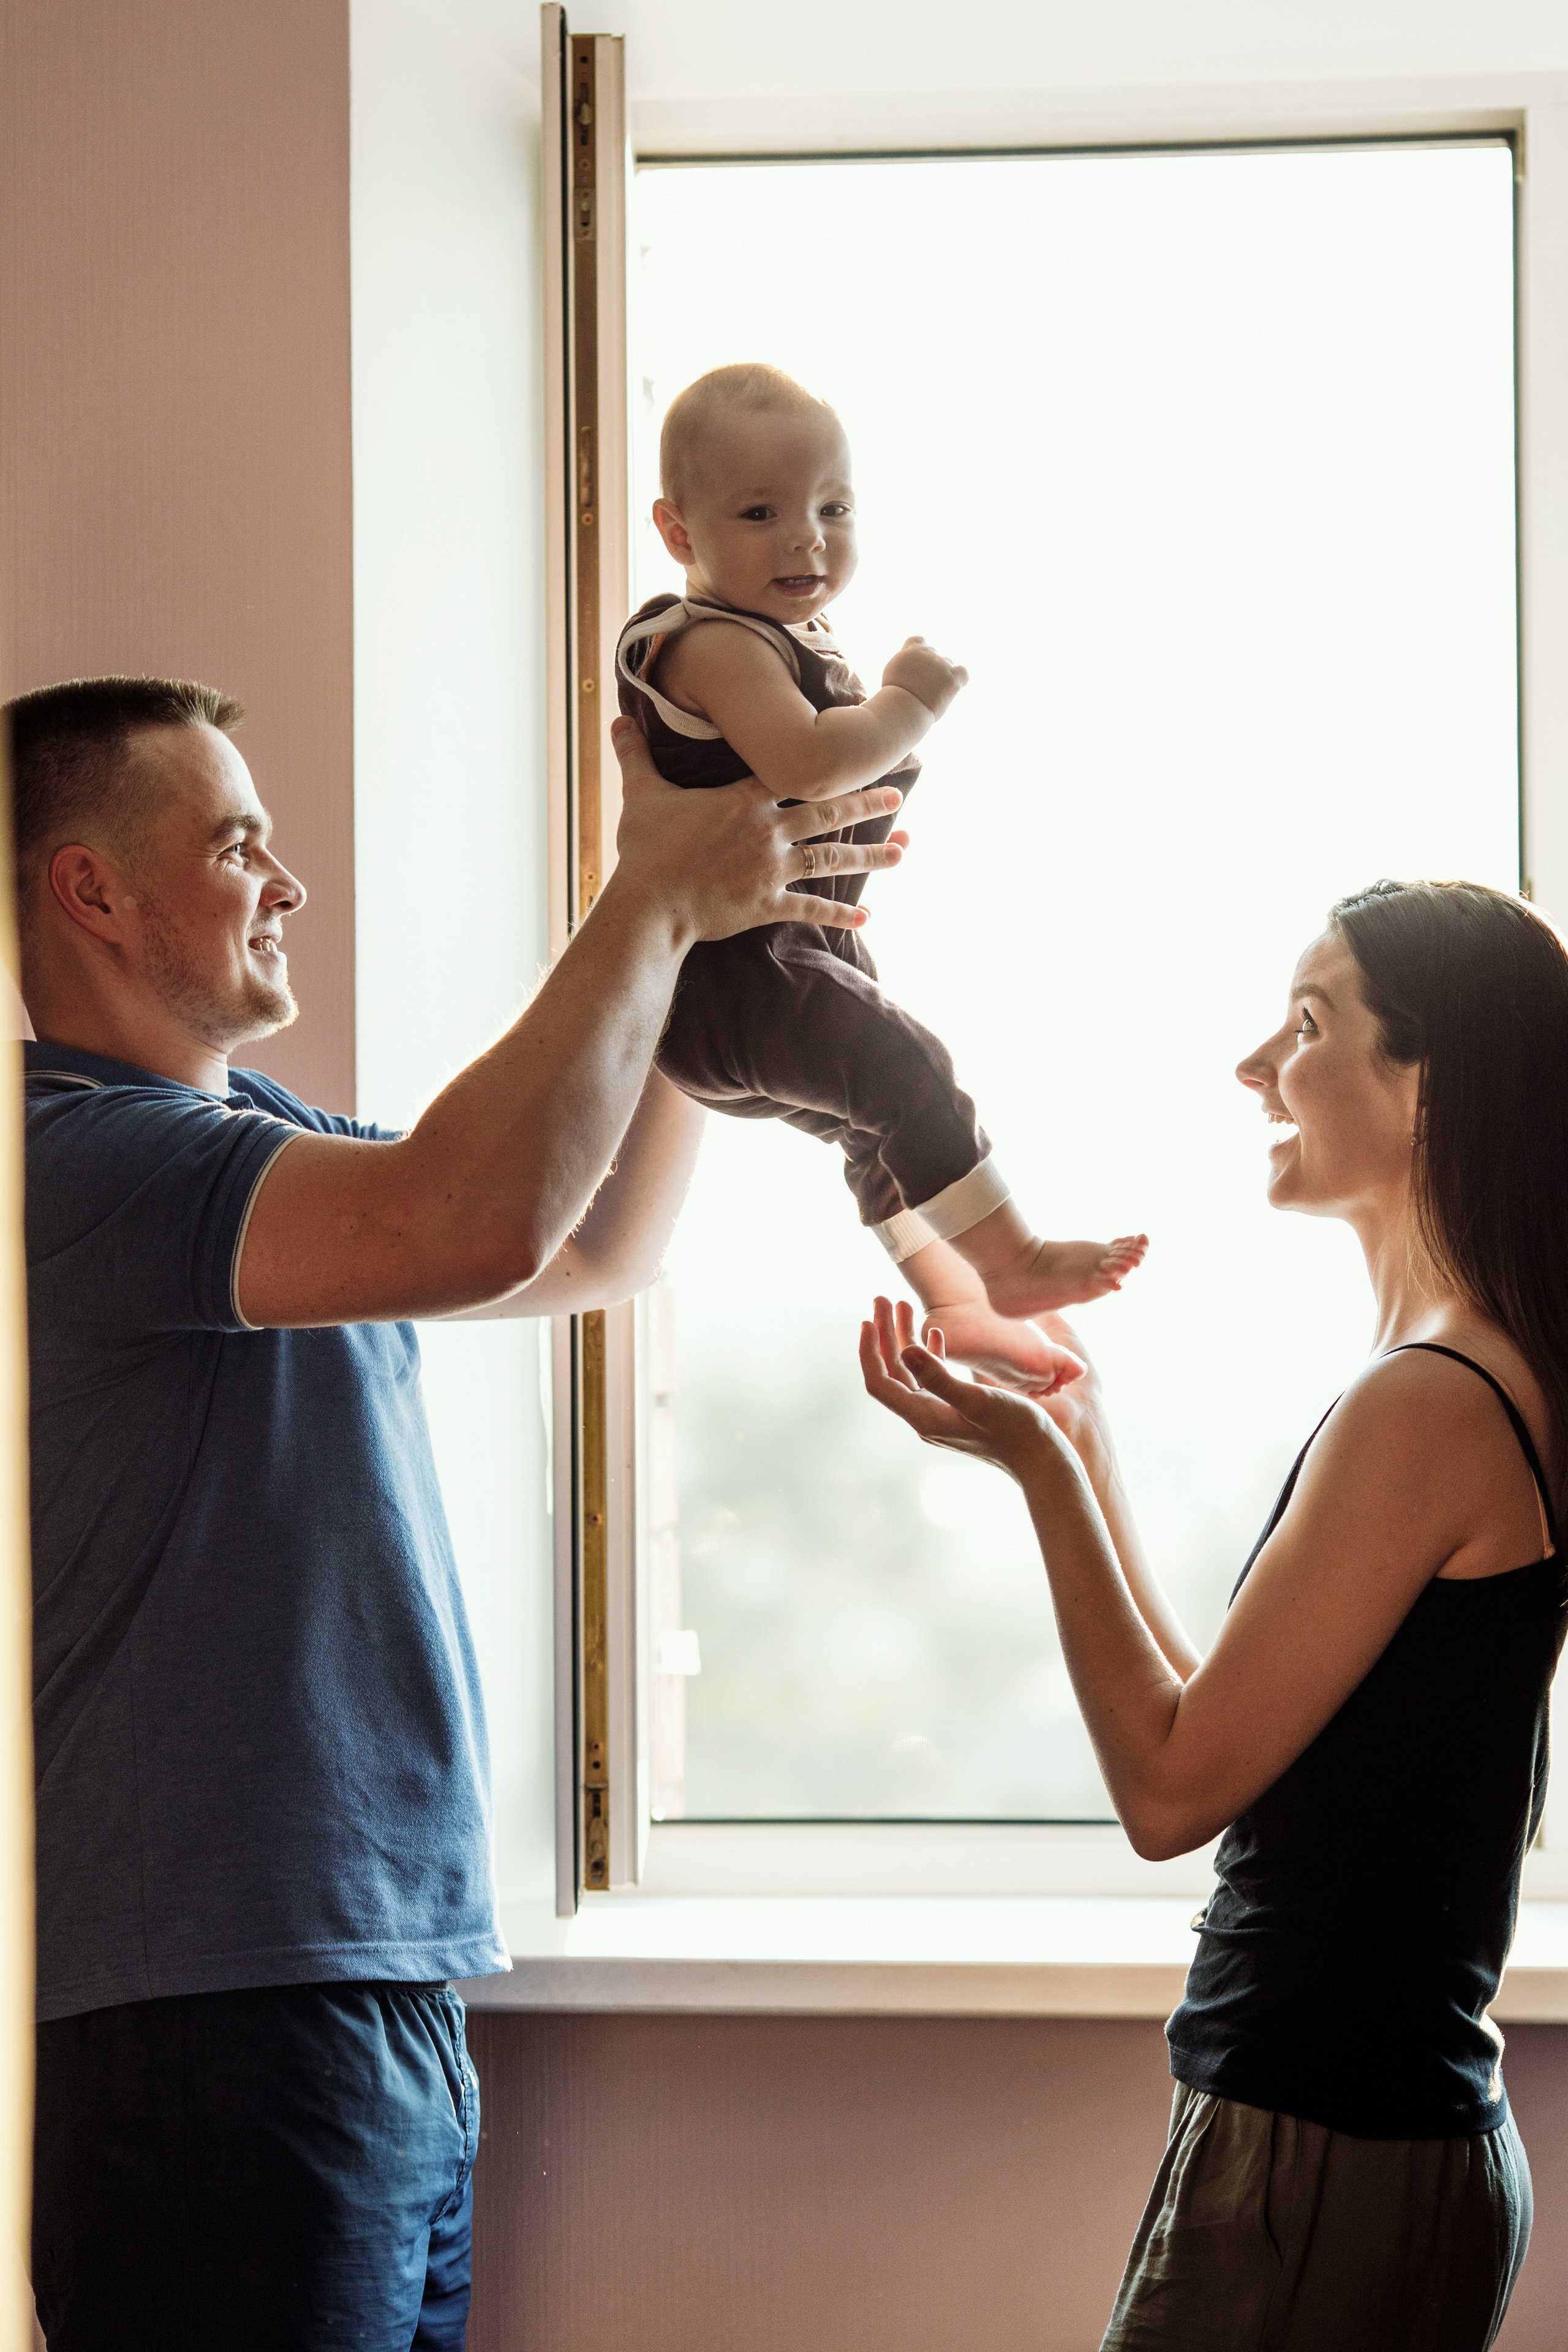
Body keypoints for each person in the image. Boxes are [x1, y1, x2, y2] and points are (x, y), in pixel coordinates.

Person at [13, 672, 907, 2352]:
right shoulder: (65, 1157)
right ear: (92, 890)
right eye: (237, 845)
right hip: (208, 2021)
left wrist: (716, 945)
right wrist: (648, 892)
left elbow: (586, 1244)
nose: (286, 885)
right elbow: (471, 1213)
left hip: (371, 1989)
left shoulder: (245, 1135)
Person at [861, 878, 1568, 2352]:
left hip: (1322, 2153)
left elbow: (1171, 1790)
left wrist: (1042, 1482)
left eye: (1307, 1023)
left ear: (1426, 1083)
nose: (1256, 1066)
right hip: (1355, 2145)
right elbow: (1245, 1737)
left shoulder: (1428, 1403)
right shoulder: (1456, 1377)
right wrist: (1086, 1435)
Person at [619, 362, 1145, 1393]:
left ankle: (958, 1302)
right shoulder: (709, 644)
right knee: (909, 1070)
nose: (806, 538)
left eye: (833, 506)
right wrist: (910, 704)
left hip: (787, 960)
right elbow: (810, 761)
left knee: (882, 1125)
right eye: (762, 512)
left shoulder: (781, 638)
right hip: (734, 979)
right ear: (679, 534)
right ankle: (1013, 1262)